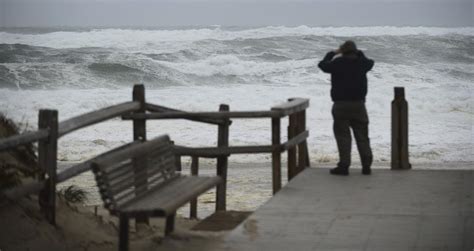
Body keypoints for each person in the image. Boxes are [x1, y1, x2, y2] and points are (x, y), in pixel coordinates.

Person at [318, 40, 374, 175]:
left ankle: (344, 166)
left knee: (343, 136)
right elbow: (369, 62)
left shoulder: (337, 63)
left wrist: (332, 53)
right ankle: (366, 165)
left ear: (342, 51)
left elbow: (322, 65)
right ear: (355, 51)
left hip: (340, 105)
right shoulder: (362, 64)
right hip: (359, 105)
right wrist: (359, 52)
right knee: (362, 136)